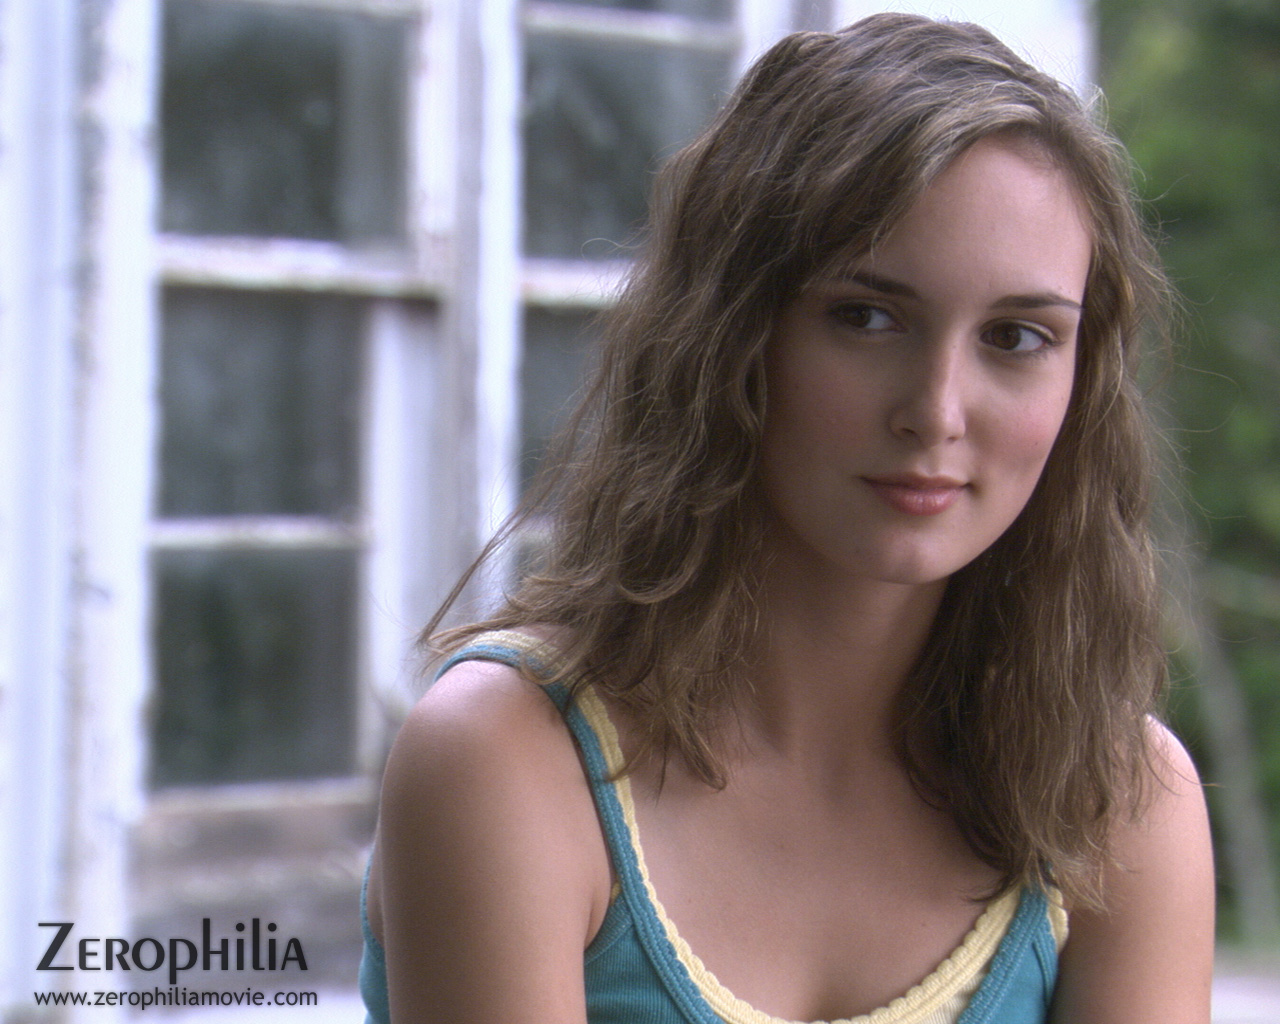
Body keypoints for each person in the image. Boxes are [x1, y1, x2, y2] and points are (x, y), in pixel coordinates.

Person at [360, 12, 1215, 1024]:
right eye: (866, 317)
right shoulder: (508, 760)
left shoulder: (1116, 804)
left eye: (1016, 337)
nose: (935, 411)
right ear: (728, 333)